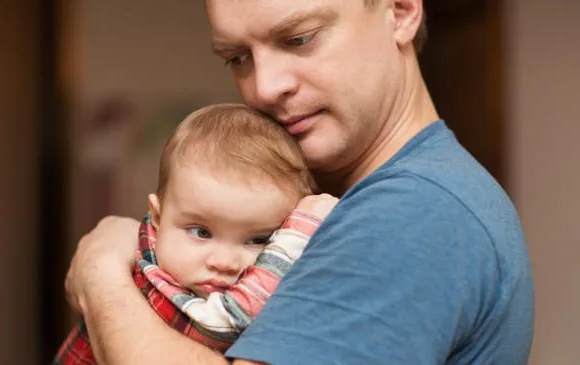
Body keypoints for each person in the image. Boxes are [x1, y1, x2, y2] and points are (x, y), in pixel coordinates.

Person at [63, 0, 535, 364]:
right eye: (238, 57)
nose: (264, 87)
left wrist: (101, 275)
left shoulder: (414, 211)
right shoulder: (339, 201)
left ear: (401, 10)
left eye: (299, 39)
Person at [54, 103, 336, 364]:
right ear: (157, 218)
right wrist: (302, 230)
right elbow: (224, 323)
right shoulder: (150, 283)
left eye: (259, 240)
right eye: (201, 232)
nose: (224, 262)